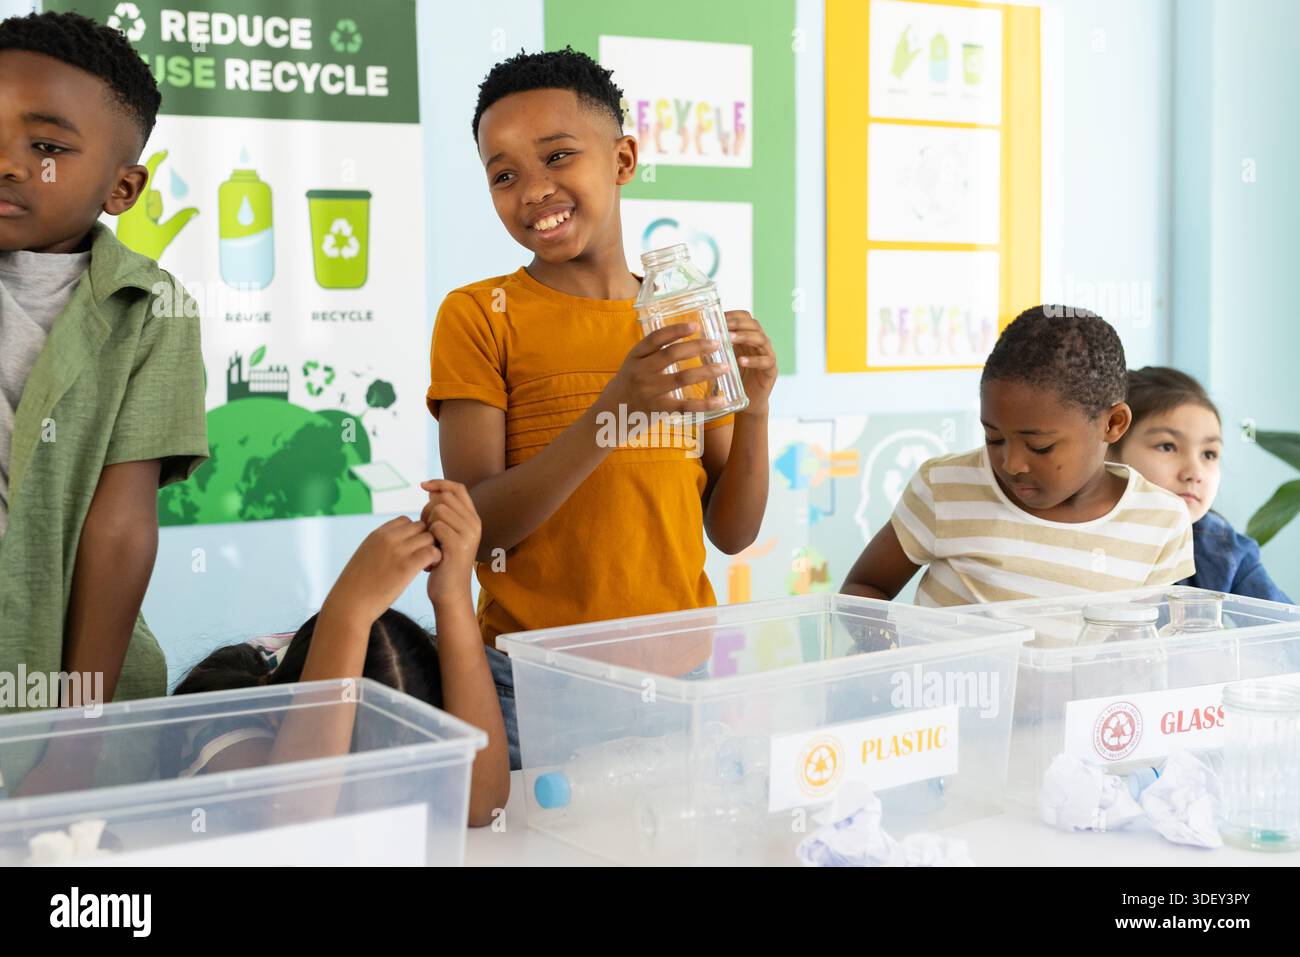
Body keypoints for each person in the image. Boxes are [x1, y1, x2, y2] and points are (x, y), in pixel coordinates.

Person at [428, 48, 776, 767]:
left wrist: (758, 410)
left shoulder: (680, 317)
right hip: (533, 688)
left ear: (621, 160)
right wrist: (618, 407)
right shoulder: (478, 316)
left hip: (682, 681)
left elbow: (734, 533)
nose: (534, 190)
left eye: (558, 156)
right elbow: (480, 526)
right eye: (504, 175)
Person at [0, 11, 207, 717]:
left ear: (122, 190)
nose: (8, 161)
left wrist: (77, 728)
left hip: (62, 683)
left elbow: (118, 532)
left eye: (48, 145)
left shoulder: (151, 309)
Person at [173, 481, 510, 826]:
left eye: (408, 788)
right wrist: (347, 609)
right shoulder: (224, 714)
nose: (383, 818)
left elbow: (482, 805)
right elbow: (294, 823)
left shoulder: (412, 669)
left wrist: (452, 595)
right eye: (351, 788)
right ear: (279, 720)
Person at [842, 306, 1195, 605]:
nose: (1012, 464)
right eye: (994, 438)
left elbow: (1147, 650)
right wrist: (888, 662)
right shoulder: (945, 489)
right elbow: (864, 587)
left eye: (1040, 447)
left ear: (1113, 424)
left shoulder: (1160, 522)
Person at [1115, 366, 1290, 602]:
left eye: (1208, 454)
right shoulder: (1069, 538)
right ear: (1108, 451)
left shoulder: (1223, 548)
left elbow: (1287, 630)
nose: (1194, 473)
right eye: (1167, 446)